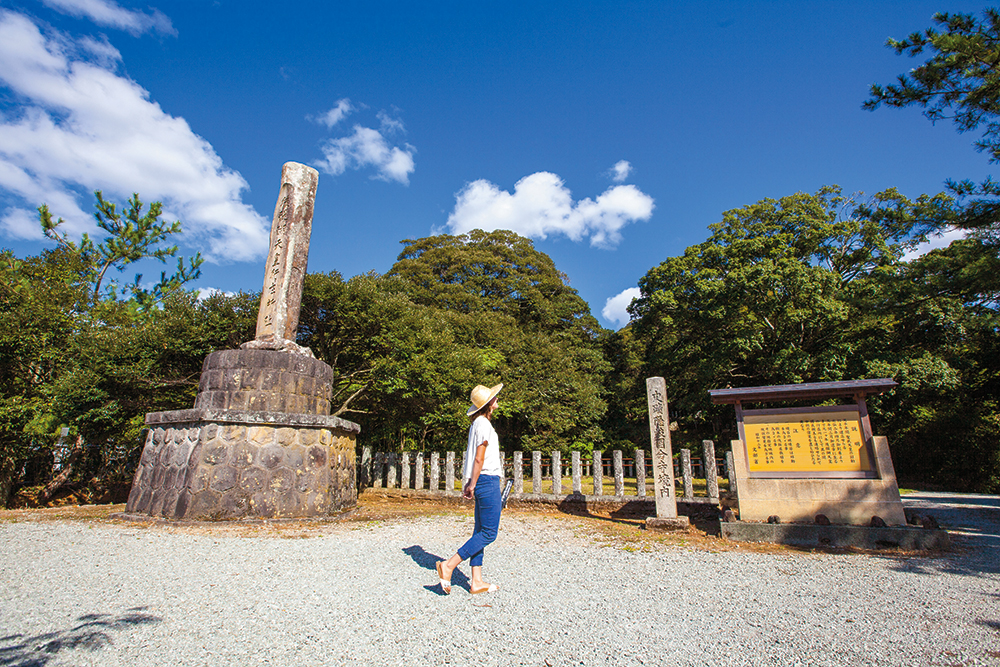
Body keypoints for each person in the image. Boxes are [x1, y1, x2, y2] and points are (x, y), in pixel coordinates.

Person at [436, 383, 504, 595]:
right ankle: (449, 565)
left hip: (481, 479)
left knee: (479, 530)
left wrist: (470, 482)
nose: (497, 399)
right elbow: (479, 457)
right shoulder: (483, 424)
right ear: (488, 404)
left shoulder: (477, 423)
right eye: (494, 397)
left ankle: (476, 581)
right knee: (489, 533)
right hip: (487, 479)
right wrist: (473, 483)